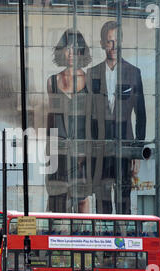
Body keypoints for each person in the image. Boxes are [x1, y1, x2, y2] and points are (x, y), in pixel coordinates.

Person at [87, 21, 146, 214]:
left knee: (124, 198)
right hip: (100, 148)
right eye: (109, 42)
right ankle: (103, 239)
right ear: (103, 43)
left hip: (124, 148)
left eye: (116, 41)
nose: (113, 47)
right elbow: (87, 114)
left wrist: (137, 151)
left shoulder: (133, 72)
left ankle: (123, 238)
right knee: (102, 197)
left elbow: (141, 114)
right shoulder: (92, 73)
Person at [45, 29, 93, 213]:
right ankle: (57, 236)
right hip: (59, 151)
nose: (72, 53)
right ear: (62, 51)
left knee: (82, 199)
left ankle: (85, 238)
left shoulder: (90, 80)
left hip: (82, 152)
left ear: (82, 51)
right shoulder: (52, 82)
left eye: (76, 48)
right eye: (68, 48)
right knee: (57, 199)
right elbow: (51, 117)